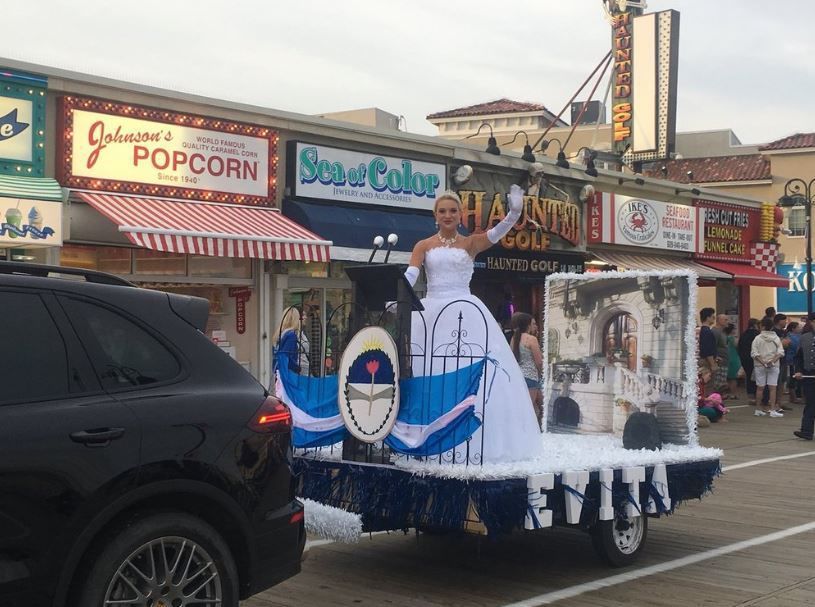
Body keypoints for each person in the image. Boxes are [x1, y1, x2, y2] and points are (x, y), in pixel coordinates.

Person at [406, 187, 544, 463]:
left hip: (464, 309)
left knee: (470, 366)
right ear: (435, 215)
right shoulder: (423, 245)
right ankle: (431, 434)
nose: (448, 215)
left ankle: (473, 436)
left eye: (453, 210)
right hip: (432, 311)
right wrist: (395, 293)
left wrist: (514, 213)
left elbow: (496, 234)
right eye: (442, 211)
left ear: (460, 215)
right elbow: (411, 274)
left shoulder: (470, 244)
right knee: (430, 367)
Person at [510, 312, 543, 429]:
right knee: (528, 410)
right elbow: (539, 362)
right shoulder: (532, 339)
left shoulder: (514, 338)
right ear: (528, 325)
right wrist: (540, 373)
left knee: (525, 407)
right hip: (531, 377)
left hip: (518, 377)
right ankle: (528, 432)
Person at [751, 317, 785, 418]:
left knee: (760, 387)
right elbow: (781, 352)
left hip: (759, 365)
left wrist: (763, 362)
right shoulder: (776, 338)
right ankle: (773, 410)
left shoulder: (757, 338)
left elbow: (754, 353)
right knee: (773, 388)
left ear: (763, 326)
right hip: (774, 365)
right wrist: (772, 361)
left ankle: (758, 409)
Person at [792, 312, 815, 440]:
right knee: (811, 403)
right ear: (811, 323)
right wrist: (799, 370)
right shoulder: (804, 337)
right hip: (809, 375)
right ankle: (806, 431)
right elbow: (798, 357)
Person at [273, 306, 303, 374]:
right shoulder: (291, 335)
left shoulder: (280, 334)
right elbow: (286, 357)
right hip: (288, 373)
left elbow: (276, 355)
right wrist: (297, 368)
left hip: (279, 372)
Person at [738, 319, 760, 406]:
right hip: (754, 358)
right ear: (755, 325)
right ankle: (756, 396)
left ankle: (750, 396)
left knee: (749, 376)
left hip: (745, 358)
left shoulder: (743, 334)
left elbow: (739, 346)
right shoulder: (757, 335)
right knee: (756, 377)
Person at [698, 308, 718, 392]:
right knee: (708, 384)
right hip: (707, 361)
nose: (714, 318)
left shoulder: (701, 330)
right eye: (712, 316)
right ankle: (706, 402)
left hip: (704, 359)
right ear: (707, 318)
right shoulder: (707, 332)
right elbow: (707, 349)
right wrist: (712, 364)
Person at [785, 321, 802, 405]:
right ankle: (793, 397)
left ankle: (793, 396)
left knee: (793, 378)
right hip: (792, 360)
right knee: (793, 378)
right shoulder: (792, 337)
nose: (800, 328)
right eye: (798, 327)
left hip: (793, 359)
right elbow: (797, 348)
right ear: (793, 329)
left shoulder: (796, 336)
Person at [712, 314, 729, 393]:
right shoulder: (715, 331)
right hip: (719, 362)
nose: (727, 321)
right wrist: (715, 359)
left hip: (724, 361)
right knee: (717, 385)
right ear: (719, 321)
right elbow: (713, 345)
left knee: (722, 384)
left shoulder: (723, 332)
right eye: (725, 320)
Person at [725, 324, 740, 400]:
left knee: (730, 378)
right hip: (734, 358)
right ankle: (734, 393)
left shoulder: (725, 337)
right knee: (733, 378)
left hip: (727, 358)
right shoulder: (732, 338)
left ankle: (732, 393)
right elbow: (737, 346)